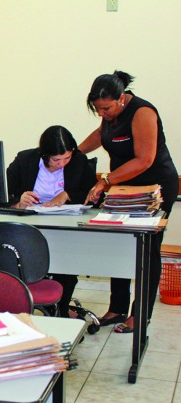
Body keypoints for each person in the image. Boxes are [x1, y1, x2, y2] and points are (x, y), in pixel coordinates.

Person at [80, 70, 179, 333]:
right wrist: (73, 154)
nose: (102, 113)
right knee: (118, 245)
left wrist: (105, 181)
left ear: (121, 98)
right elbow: (100, 137)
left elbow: (144, 159)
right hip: (125, 187)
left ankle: (140, 314)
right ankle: (118, 308)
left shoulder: (142, 112)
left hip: (154, 189)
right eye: (97, 109)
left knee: (147, 249)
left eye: (106, 108)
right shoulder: (109, 117)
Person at [7, 125, 96, 317]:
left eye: (67, 158)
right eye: (56, 159)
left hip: (66, 229)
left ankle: (61, 309)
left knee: (66, 265)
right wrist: (18, 202)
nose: (62, 163)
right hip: (30, 229)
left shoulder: (79, 161)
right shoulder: (25, 160)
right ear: (44, 154)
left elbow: (92, 194)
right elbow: (2, 190)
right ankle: (26, 304)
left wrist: (67, 194)